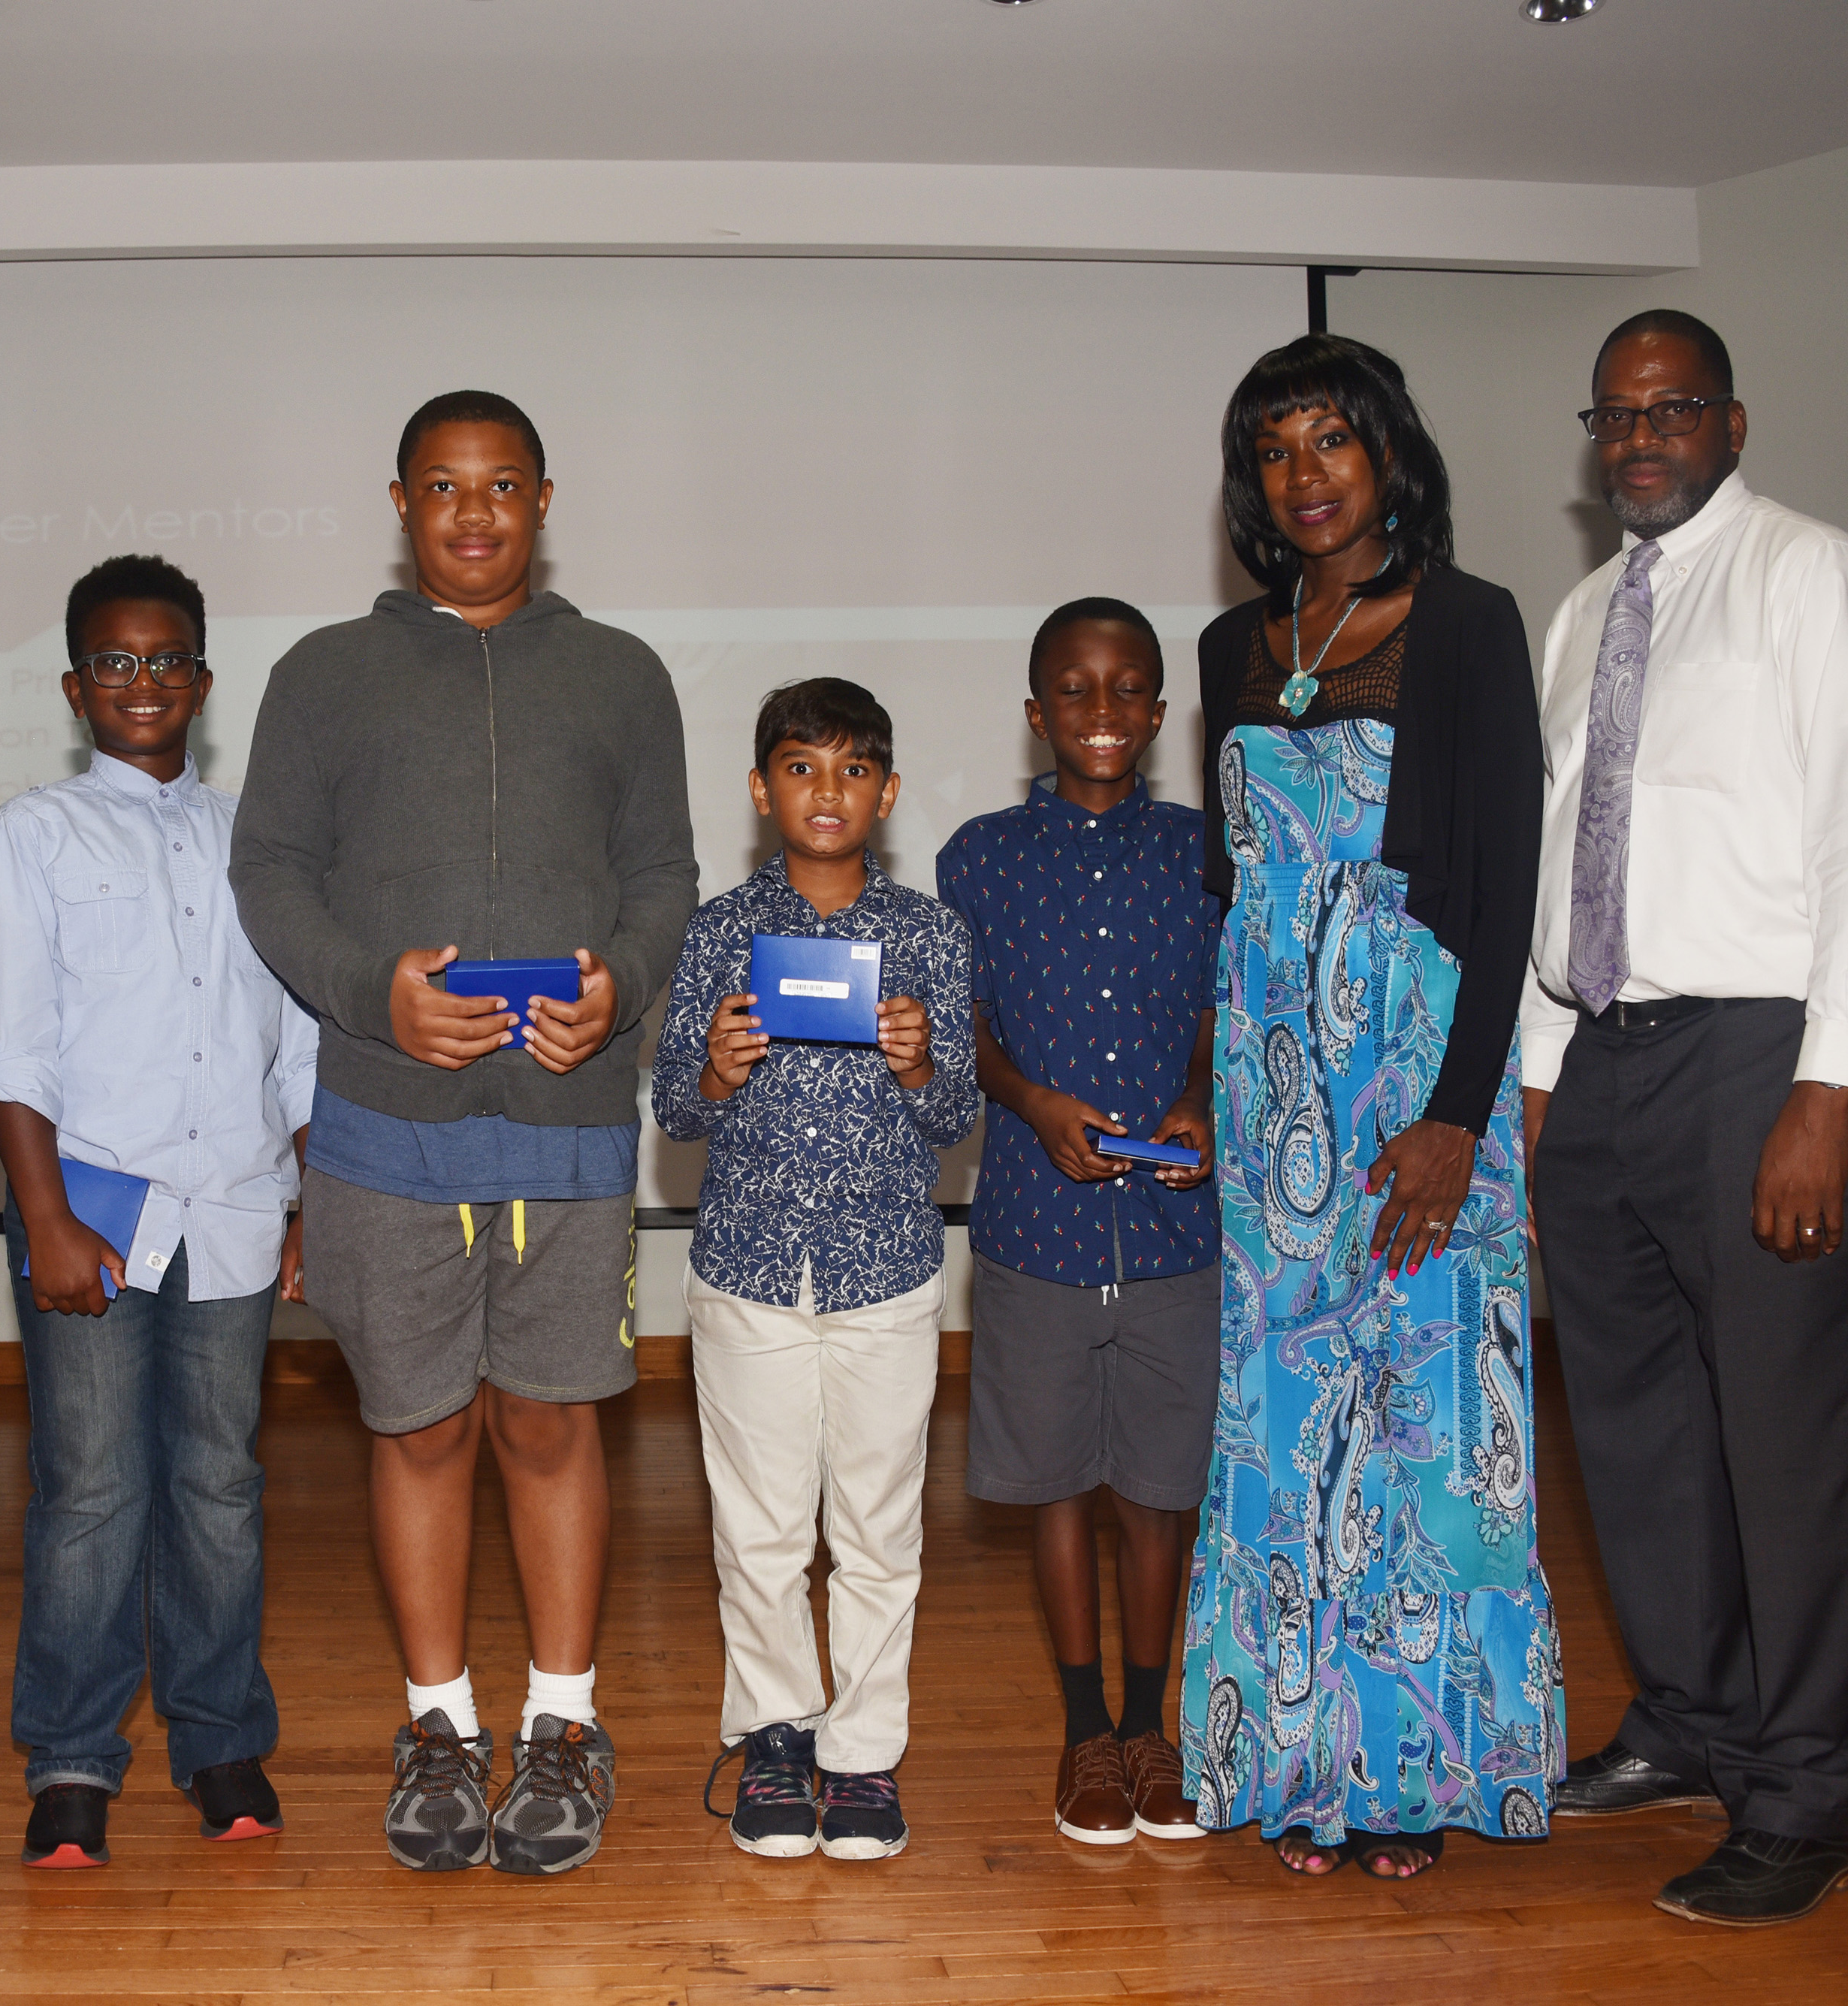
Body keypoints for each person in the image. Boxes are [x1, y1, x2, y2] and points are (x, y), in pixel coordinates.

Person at [229, 390, 696, 1876]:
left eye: (501, 486)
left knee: (550, 1424)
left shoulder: (622, 678)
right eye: (444, 486)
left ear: (544, 501)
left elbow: (664, 877)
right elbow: (272, 871)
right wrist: (378, 997)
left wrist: (620, 986)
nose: (475, 512)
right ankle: (436, 1720)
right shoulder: (324, 674)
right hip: (384, 1126)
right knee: (419, 1429)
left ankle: (562, 1723)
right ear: (400, 501)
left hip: (563, 1125)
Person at [1520, 310, 1848, 1929]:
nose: (1636, 437)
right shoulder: (1576, 620)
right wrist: (1544, 1082)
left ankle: (1811, 1785)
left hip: (1768, 1062)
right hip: (1606, 1066)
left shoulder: (1812, 580)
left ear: (1730, 422)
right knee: (1629, 1432)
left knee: (1784, 1443)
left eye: (1669, 408)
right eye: (1612, 415)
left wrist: (1826, 1089)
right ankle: (1690, 1725)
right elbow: (1577, 871)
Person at [1182, 334, 1560, 1881]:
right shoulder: (1227, 646)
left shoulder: (1467, 626)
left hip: (1416, 1067)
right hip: (1272, 1068)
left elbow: (1499, 876)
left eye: (1330, 440)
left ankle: (1408, 1776)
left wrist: (1457, 1113)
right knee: (1280, 1420)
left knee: (1420, 1425)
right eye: (1273, 451)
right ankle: (1290, 1760)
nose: (1303, 475)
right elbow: (1230, 885)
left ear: (1390, 453)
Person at [0, 553, 317, 1869]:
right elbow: (11, 1046)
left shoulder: (253, 839)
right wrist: (45, 1218)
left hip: (232, 1200)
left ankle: (222, 1740)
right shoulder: (37, 834)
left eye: (169, 661)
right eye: (116, 661)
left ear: (205, 682)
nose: (145, 682)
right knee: (93, 1488)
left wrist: (300, 1199)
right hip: (89, 1215)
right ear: (74, 685)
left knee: (219, 1482)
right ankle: (70, 1759)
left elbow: (293, 1040)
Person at [654, 678, 977, 1865]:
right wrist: (720, 1071)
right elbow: (676, 1111)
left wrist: (921, 1060)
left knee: (881, 1529)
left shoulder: (932, 934)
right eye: (801, 767)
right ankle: (780, 1736)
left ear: (886, 792)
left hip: (887, 1275)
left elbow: (954, 1120)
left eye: (851, 770)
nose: (825, 790)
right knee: (762, 1532)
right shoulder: (717, 930)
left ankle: (863, 1755)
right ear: (760, 789)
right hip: (748, 1270)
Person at [935, 599, 1220, 1851]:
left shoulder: (1210, 853)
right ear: (1038, 711)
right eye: (1075, 689)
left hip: (1176, 1231)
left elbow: (1228, 1011)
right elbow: (966, 1032)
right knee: (1057, 1483)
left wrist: (1203, 1104)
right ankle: (1084, 1730)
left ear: (1160, 713)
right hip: (1035, 1225)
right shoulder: (977, 855)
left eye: (1127, 690)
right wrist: (1033, 1100)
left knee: (1157, 1491)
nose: (1101, 712)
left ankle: (1154, 1728)